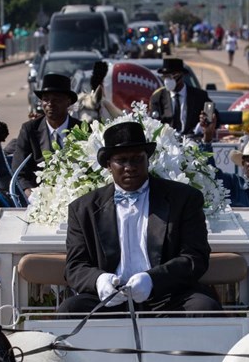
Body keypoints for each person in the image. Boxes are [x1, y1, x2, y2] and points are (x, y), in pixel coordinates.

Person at [57, 121, 221, 315]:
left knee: (204, 308)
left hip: (168, 296)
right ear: (109, 165)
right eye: (122, 160)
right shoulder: (83, 208)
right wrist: (100, 281)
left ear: (148, 160)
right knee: (70, 310)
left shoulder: (183, 199)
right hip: (109, 300)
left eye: (136, 159)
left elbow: (195, 257)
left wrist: (153, 279)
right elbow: (75, 266)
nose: (130, 167)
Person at [12, 73, 81, 196]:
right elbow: (19, 172)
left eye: (56, 99)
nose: (50, 104)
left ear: (68, 102)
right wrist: (30, 194)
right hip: (39, 198)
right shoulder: (29, 130)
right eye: (46, 99)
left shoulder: (81, 130)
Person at [149, 58, 212, 136]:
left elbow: (212, 113)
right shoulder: (158, 97)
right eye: (165, 76)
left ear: (181, 75)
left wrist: (205, 120)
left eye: (172, 76)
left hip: (192, 140)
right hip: (168, 142)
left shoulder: (199, 96)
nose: (168, 80)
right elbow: (154, 121)